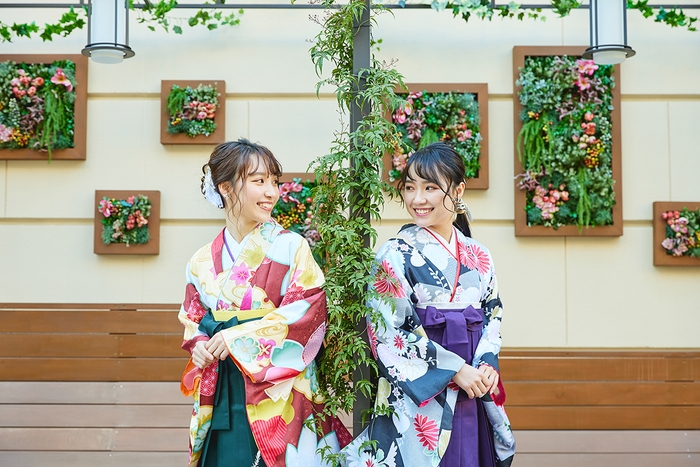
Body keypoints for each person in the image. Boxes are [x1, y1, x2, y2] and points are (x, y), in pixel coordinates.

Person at [179, 139, 350, 467]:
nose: (271, 192)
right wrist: (200, 345)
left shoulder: (291, 248)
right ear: (225, 187)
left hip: (280, 394)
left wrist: (236, 338)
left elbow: (309, 313)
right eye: (259, 181)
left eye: (274, 181)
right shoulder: (200, 261)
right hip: (224, 391)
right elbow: (194, 317)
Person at [343, 142, 515, 467]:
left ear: (458, 190)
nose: (417, 199)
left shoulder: (479, 254)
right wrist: (454, 369)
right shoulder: (394, 254)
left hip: (473, 386)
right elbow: (388, 331)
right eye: (410, 187)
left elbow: (492, 313)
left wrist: (486, 362)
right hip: (424, 395)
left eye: (430, 188)